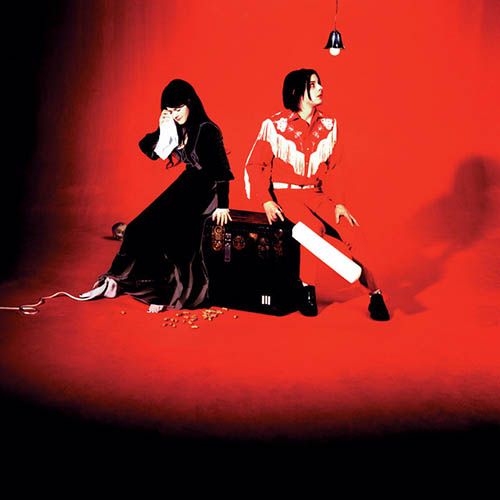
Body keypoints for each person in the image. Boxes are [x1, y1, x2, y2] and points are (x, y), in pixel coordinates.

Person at [244, 68, 390, 320]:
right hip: (284, 195)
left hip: (316, 194)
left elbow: (337, 168)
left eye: (319, 83)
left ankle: (375, 294)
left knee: (351, 229)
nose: (320, 88)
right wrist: (266, 200)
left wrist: (340, 203)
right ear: (296, 91)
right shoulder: (274, 125)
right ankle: (306, 288)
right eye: (312, 85)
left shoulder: (329, 125)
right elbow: (255, 165)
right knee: (312, 229)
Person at [93, 79, 234, 313]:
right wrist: (162, 126)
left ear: (190, 103)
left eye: (178, 109)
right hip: (188, 182)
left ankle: (162, 293)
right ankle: (117, 279)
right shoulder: (176, 128)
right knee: (138, 228)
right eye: (170, 110)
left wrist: (223, 205)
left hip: (207, 190)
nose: (176, 114)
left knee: (170, 236)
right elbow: (147, 148)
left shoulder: (207, 129)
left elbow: (221, 170)